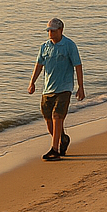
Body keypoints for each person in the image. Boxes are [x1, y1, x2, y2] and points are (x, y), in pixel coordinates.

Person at [28, 17, 83, 161]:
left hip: (64, 88)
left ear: (60, 30)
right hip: (47, 89)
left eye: (53, 30)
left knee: (57, 117)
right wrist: (32, 82)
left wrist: (80, 87)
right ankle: (62, 139)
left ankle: (54, 150)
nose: (50, 33)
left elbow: (78, 65)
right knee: (49, 122)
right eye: (49, 31)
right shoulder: (44, 47)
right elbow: (39, 65)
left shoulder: (69, 45)